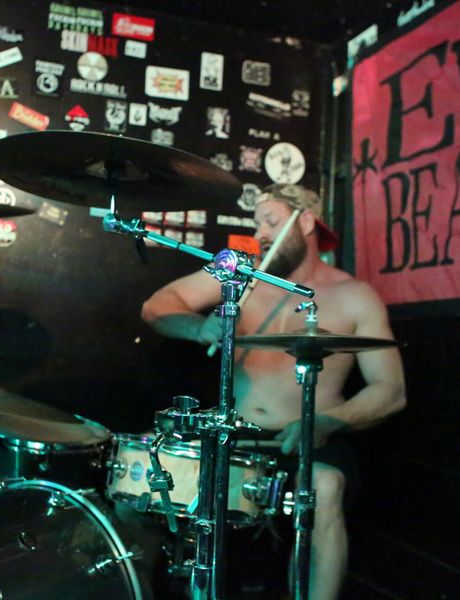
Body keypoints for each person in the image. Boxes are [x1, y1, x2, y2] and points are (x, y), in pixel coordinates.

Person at [140, 183, 406, 599]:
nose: (260, 233)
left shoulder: (354, 296)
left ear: (306, 222)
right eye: (256, 223)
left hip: (307, 440)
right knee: (146, 473)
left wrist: (330, 421)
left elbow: (390, 390)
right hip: (233, 435)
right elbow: (158, 305)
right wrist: (198, 327)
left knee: (324, 486)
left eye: (271, 221)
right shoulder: (240, 276)